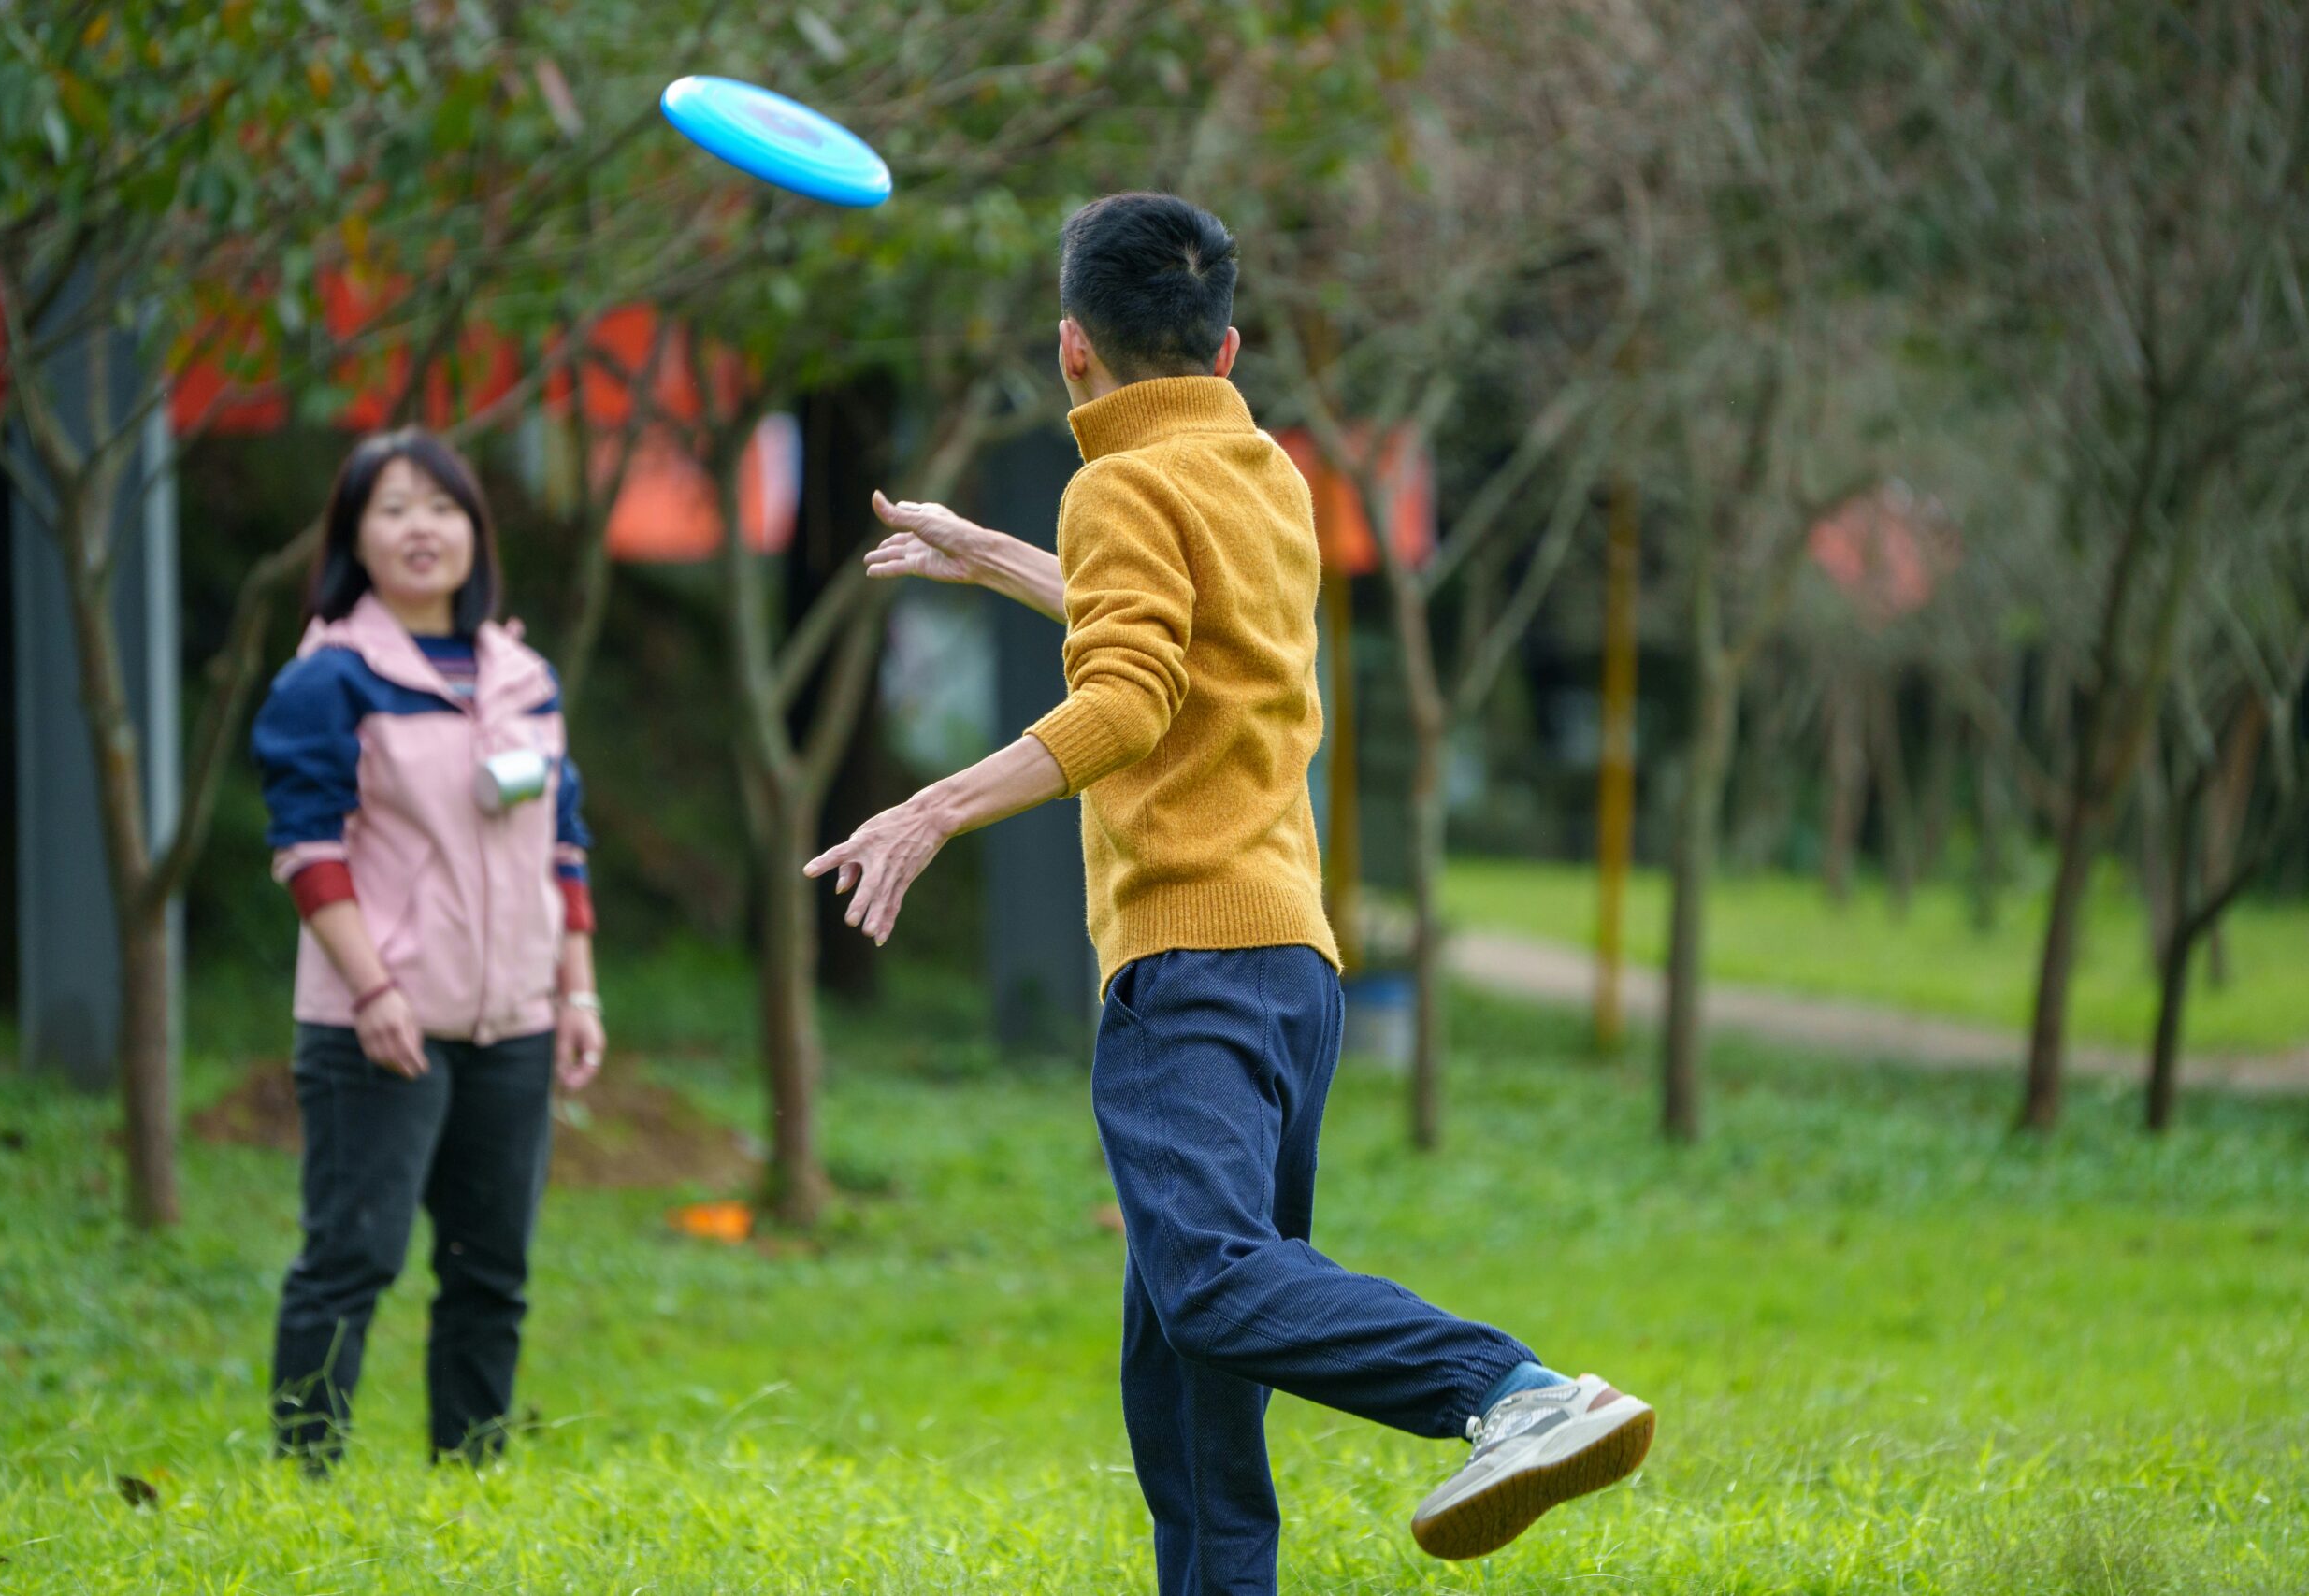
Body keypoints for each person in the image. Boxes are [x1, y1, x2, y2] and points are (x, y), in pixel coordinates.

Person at [807, 194, 1653, 1590]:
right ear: (1229, 342)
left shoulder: (1116, 487)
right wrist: (993, 552)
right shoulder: (1263, 469)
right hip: (1290, 963)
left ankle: (1513, 1389)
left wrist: (933, 803)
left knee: (1207, 1278)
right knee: (1186, 1375)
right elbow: (1187, 636)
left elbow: (1131, 693)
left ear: (1072, 348)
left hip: (1188, 959)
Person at [251, 428, 606, 1468]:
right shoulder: (330, 679)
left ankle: (472, 1474)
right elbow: (306, 852)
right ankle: (304, 1475)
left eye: (442, 507)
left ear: (473, 533)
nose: (421, 529)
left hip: (516, 1020)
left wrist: (575, 996)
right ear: (354, 536)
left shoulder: (522, 678)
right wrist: (373, 991)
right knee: (352, 1256)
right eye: (393, 508)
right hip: (383, 1019)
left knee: (492, 1266)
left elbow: (563, 844)